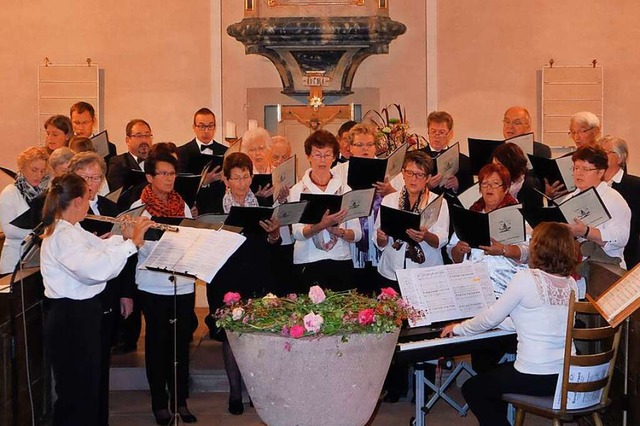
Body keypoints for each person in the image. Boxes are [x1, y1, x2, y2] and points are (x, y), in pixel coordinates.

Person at [442, 222, 579, 426]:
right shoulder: (571, 284)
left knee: (474, 388)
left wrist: (459, 328)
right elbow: (530, 319)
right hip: (567, 375)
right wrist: (500, 325)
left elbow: (491, 317)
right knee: (493, 381)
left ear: (538, 248)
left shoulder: (526, 278)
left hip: (536, 374)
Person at [40, 173, 149, 426]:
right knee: (75, 393)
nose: (90, 204)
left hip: (81, 314)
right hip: (70, 317)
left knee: (88, 388)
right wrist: (132, 244)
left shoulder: (72, 229)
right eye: (88, 199)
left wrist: (124, 236)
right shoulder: (61, 235)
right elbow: (95, 270)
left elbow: (101, 247)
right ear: (77, 201)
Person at [209, 152, 283, 415]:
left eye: (246, 177)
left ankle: (256, 389)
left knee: (259, 332)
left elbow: (275, 246)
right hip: (225, 275)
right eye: (236, 178)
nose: (242, 183)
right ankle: (234, 392)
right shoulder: (213, 204)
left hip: (258, 273)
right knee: (231, 334)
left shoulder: (264, 203)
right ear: (226, 180)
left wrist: (274, 234)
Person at [67, 152, 137, 426]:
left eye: (97, 178)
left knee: (102, 363)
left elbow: (127, 257)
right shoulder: (69, 211)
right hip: (82, 296)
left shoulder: (110, 207)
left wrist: (126, 292)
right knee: (82, 367)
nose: (92, 184)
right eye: (85, 178)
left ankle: (101, 418)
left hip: (109, 291)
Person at [131, 152, 197, 425]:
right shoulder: (139, 208)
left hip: (182, 285)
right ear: (149, 177)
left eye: (172, 174)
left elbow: (192, 236)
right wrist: (169, 249)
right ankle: (159, 402)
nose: (169, 179)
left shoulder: (181, 204)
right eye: (163, 174)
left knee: (181, 345)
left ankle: (180, 401)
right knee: (158, 346)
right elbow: (140, 246)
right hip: (153, 285)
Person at [289, 130, 362, 292]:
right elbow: (297, 233)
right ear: (308, 156)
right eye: (317, 154)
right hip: (308, 260)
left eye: (327, 155)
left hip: (340, 258)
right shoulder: (297, 190)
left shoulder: (345, 189)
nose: (322, 160)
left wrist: (337, 230)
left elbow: (357, 234)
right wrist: (321, 225)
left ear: (334, 157)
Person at [448, 163, 529, 298]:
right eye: (484, 184)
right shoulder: (470, 214)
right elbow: (453, 255)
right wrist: (458, 249)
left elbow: (528, 252)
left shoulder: (517, 215)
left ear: (506, 188)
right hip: (473, 287)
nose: (489, 188)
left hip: (508, 289)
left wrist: (503, 250)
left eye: (495, 184)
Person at [331, 123, 395, 294]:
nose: (365, 149)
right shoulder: (338, 172)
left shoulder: (388, 169)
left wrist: (390, 191)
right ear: (350, 147)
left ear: (375, 147)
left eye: (369, 144)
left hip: (380, 237)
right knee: (357, 290)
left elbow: (403, 201)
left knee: (381, 292)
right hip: (351, 238)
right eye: (359, 145)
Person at [374, 150, 450, 290]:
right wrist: (381, 237)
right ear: (402, 173)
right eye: (409, 173)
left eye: (419, 175)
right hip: (391, 269)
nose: (413, 179)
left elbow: (442, 238)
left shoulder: (438, 202)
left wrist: (425, 236)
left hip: (425, 272)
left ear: (427, 178)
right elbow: (379, 241)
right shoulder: (389, 199)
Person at [564, 145, 631, 269]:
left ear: (600, 172)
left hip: (605, 268)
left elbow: (621, 237)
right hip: (574, 266)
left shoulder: (613, 199)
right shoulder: (569, 198)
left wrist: (586, 231)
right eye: (576, 168)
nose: (579, 173)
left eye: (585, 169)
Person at [0, 146, 49, 275]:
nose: (39, 175)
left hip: (35, 257)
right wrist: (39, 235)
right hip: (14, 259)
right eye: (34, 170)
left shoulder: (42, 192)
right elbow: (9, 230)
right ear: (22, 167)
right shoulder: (10, 192)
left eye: (42, 171)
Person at [600, 135, 640, 269]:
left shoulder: (635, 185)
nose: (601, 156)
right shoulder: (594, 185)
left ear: (621, 157)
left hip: (628, 252)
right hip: (598, 252)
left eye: (606, 152)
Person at [177, 107, 227, 214]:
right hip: (193, 209)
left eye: (210, 126)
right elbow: (180, 185)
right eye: (201, 126)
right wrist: (203, 181)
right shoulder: (182, 152)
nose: (206, 131)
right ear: (194, 127)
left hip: (219, 208)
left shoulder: (225, 151)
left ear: (215, 127)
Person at [420, 111, 473, 195]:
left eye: (441, 132)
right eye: (433, 131)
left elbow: (470, 193)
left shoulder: (464, 161)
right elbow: (407, 187)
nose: (436, 135)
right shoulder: (417, 158)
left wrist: (457, 186)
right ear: (428, 132)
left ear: (450, 134)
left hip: (451, 206)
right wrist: (426, 186)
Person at [491, 142, 543, 209]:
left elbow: (534, 214)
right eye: (493, 165)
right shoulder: (491, 182)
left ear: (510, 165)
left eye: (499, 165)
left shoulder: (530, 186)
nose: (495, 170)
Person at [107, 119, 153, 191]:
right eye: (139, 136)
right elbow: (118, 195)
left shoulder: (157, 162)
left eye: (147, 135)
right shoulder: (118, 163)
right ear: (128, 140)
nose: (144, 140)